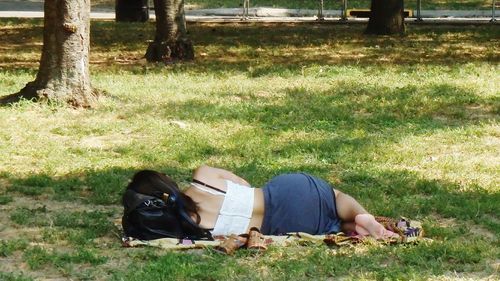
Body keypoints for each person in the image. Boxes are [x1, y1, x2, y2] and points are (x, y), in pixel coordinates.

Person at [122, 165, 398, 240]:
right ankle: (362, 218)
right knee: (335, 198)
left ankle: (355, 225)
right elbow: (241, 183)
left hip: (281, 225)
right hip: (285, 192)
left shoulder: (190, 227)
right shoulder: (202, 176)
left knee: (330, 223)